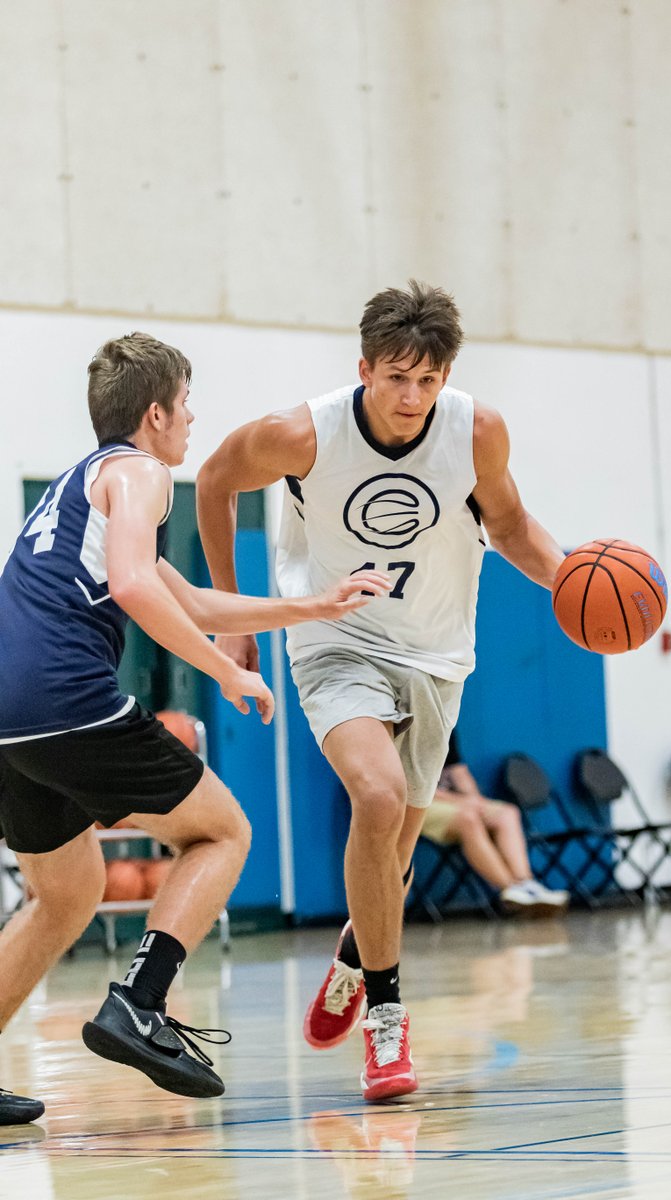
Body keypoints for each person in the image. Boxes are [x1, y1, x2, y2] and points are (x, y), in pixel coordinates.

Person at [0, 332, 388, 1126]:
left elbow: (188, 598)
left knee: (66, 894)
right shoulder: (143, 473)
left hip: (8, 717)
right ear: (155, 413)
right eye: (186, 404)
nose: (192, 419)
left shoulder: (83, 484)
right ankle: (141, 1004)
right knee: (223, 832)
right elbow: (142, 590)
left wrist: (311, 608)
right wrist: (228, 673)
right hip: (65, 697)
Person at [196, 280, 565, 1102]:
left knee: (393, 855)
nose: (411, 397)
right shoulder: (302, 433)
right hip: (336, 638)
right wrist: (232, 615)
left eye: (427, 381)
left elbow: (508, 526)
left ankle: (357, 956)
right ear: (363, 367)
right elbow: (214, 480)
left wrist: (568, 578)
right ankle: (387, 1027)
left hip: (436, 652)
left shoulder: (478, 432)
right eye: (396, 377)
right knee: (377, 794)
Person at [422, 730, 570, 915]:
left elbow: (459, 771)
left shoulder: (446, 722)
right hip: (419, 804)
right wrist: (463, 802)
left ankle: (525, 882)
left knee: (507, 813)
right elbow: (413, 785)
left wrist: (475, 800)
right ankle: (510, 889)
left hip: (454, 801)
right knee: (468, 818)